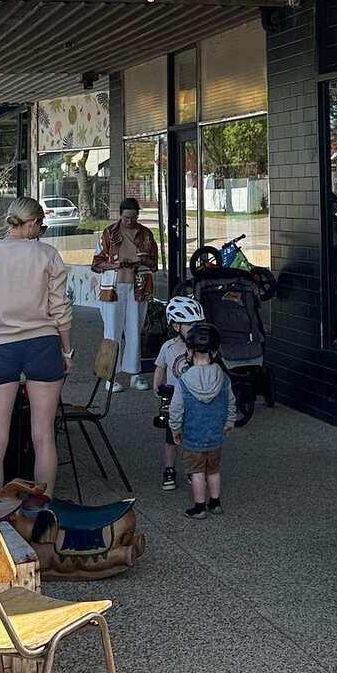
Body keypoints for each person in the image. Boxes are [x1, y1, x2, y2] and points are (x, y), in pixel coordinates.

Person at [0, 196, 73, 499]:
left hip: (1, 348)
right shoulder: (48, 255)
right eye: (41, 225)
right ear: (32, 222)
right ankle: (41, 510)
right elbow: (60, 310)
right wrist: (67, 352)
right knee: (44, 437)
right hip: (44, 345)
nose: (41, 230)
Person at [167, 321, 235, 519]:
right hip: (215, 436)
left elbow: (176, 409)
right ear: (214, 352)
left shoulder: (184, 381)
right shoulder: (223, 378)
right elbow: (231, 402)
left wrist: (175, 429)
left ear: (189, 351)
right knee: (213, 471)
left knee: (197, 472)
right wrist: (229, 422)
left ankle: (199, 507)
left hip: (193, 437)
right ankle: (215, 503)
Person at [91, 197, 159, 393]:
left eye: (134, 217)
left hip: (138, 286)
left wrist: (144, 259)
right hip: (113, 286)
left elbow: (154, 264)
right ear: (120, 215)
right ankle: (109, 377)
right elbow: (96, 263)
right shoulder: (109, 233)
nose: (130, 221)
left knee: (134, 331)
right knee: (111, 332)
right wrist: (115, 264)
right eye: (127, 217)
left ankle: (135, 374)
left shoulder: (146, 234)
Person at [153, 295, 205, 491]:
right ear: (176, 327)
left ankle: (193, 469)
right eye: (190, 325)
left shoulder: (201, 346)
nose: (195, 328)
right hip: (174, 400)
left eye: (198, 324)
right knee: (171, 438)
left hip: (195, 399)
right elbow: (160, 366)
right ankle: (169, 469)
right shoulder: (168, 347)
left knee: (193, 438)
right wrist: (157, 385)